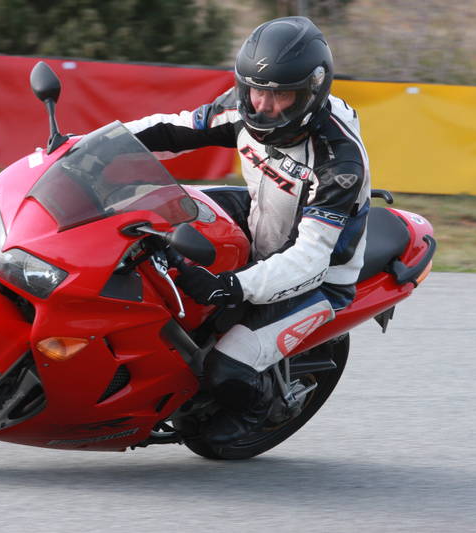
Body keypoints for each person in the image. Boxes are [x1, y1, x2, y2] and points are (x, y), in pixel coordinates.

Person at [124, 16, 371, 444]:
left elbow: (311, 258)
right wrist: (87, 145)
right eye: (257, 91)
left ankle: (259, 409)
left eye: (282, 95)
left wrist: (230, 287)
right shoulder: (245, 106)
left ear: (312, 93)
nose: (265, 106)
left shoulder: (339, 162)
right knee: (158, 215)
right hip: (260, 216)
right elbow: (175, 128)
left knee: (225, 368)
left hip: (319, 277)